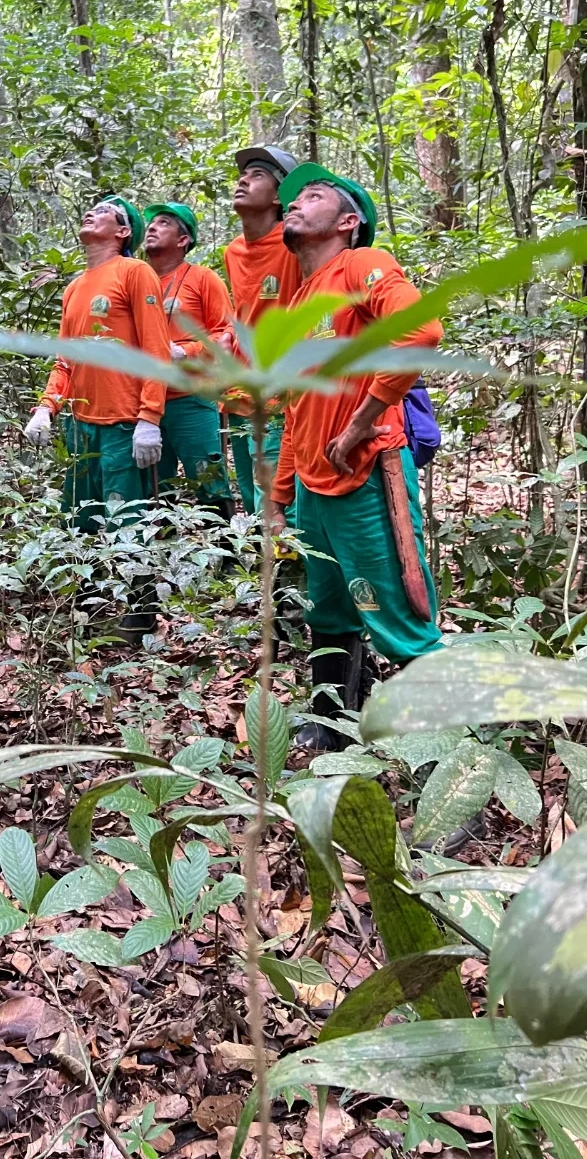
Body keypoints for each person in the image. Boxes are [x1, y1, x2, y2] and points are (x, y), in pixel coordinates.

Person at [269, 163, 443, 751]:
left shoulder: (363, 265)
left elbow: (418, 333)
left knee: (399, 620)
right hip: (315, 493)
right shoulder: (300, 298)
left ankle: (446, 764)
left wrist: (358, 427)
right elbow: (297, 407)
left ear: (348, 222)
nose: (294, 203)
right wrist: (281, 494)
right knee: (331, 613)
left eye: (312, 196)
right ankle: (333, 729)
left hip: (364, 474)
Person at [23, 196, 172, 638]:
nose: (92, 211)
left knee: (126, 518)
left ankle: (139, 615)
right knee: (81, 517)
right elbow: (66, 359)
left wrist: (150, 417)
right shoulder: (75, 287)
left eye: (105, 210)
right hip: (80, 424)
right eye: (90, 207)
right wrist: (46, 407)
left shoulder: (135, 272)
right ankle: (91, 609)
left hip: (124, 422)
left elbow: (155, 349)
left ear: (123, 232)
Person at [142, 202, 234, 518]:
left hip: (192, 398)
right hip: (143, 404)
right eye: (151, 223)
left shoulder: (203, 279)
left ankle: (226, 559)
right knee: (154, 490)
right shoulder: (135, 280)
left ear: (184, 240)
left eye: (164, 223)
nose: (152, 227)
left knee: (208, 482)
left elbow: (225, 335)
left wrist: (185, 352)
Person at [224, 145, 300, 513]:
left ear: (278, 197)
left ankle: (291, 570)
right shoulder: (233, 252)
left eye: (258, 176)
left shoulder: (296, 243)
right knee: (253, 502)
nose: (243, 180)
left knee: (275, 502)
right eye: (243, 174)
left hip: (279, 395)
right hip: (238, 394)